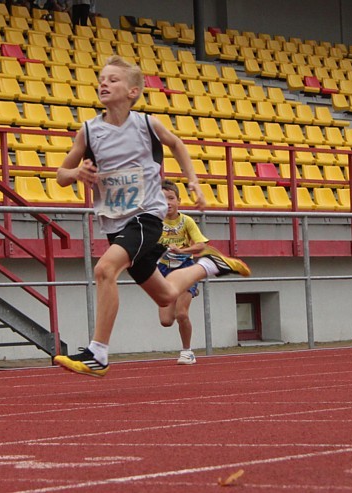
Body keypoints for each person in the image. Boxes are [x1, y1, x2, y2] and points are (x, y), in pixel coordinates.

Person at [53, 56, 251, 377]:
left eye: (113, 80)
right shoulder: (89, 131)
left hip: (146, 217)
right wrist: (77, 172)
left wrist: (194, 182)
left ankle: (98, 352)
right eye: (102, 78)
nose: (104, 83)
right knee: (166, 295)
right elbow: (61, 175)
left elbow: (177, 144)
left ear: (133, 91)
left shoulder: (146, 124)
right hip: (114, 223)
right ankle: (210, 264)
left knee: (105, 269)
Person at [157, 180, 208, 365]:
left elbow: (201, 245)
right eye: (163, 199)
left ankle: (187, 352)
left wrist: (182, 251)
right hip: (163, 270)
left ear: (178, 200)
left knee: (181, 314)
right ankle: (179, 292)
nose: (168, 202)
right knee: (166, 321)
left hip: (185, 267)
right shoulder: (154, 222)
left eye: (171, 198)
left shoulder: (187, 221)